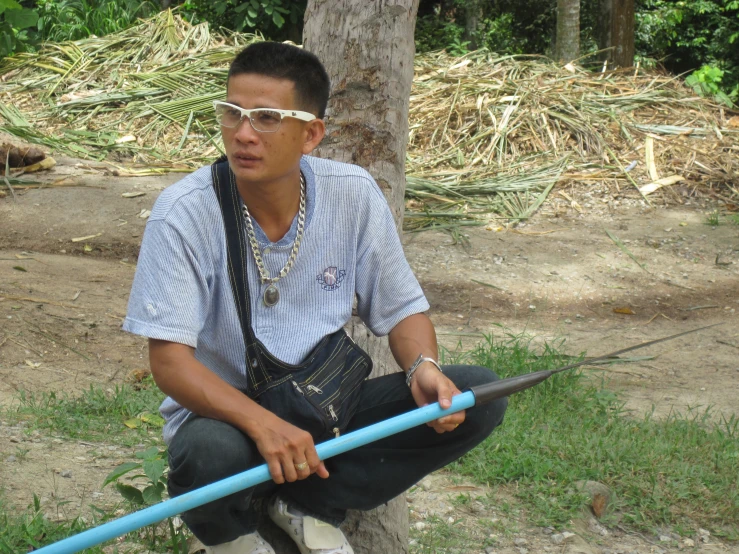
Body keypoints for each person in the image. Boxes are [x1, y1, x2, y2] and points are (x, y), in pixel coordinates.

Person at [123, 41, 507, 554]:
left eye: (265, 118)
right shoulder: (183, 214)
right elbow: (169, 364)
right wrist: (265, 426)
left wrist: (423, 369)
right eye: (231, 113)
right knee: (207, 453)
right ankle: (231, 537)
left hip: (326, 410)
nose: (242, 134)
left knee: (474, 395)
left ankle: (306, 505)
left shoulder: (352, 194)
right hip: (227, 419)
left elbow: (402, 309)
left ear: (311, 134)